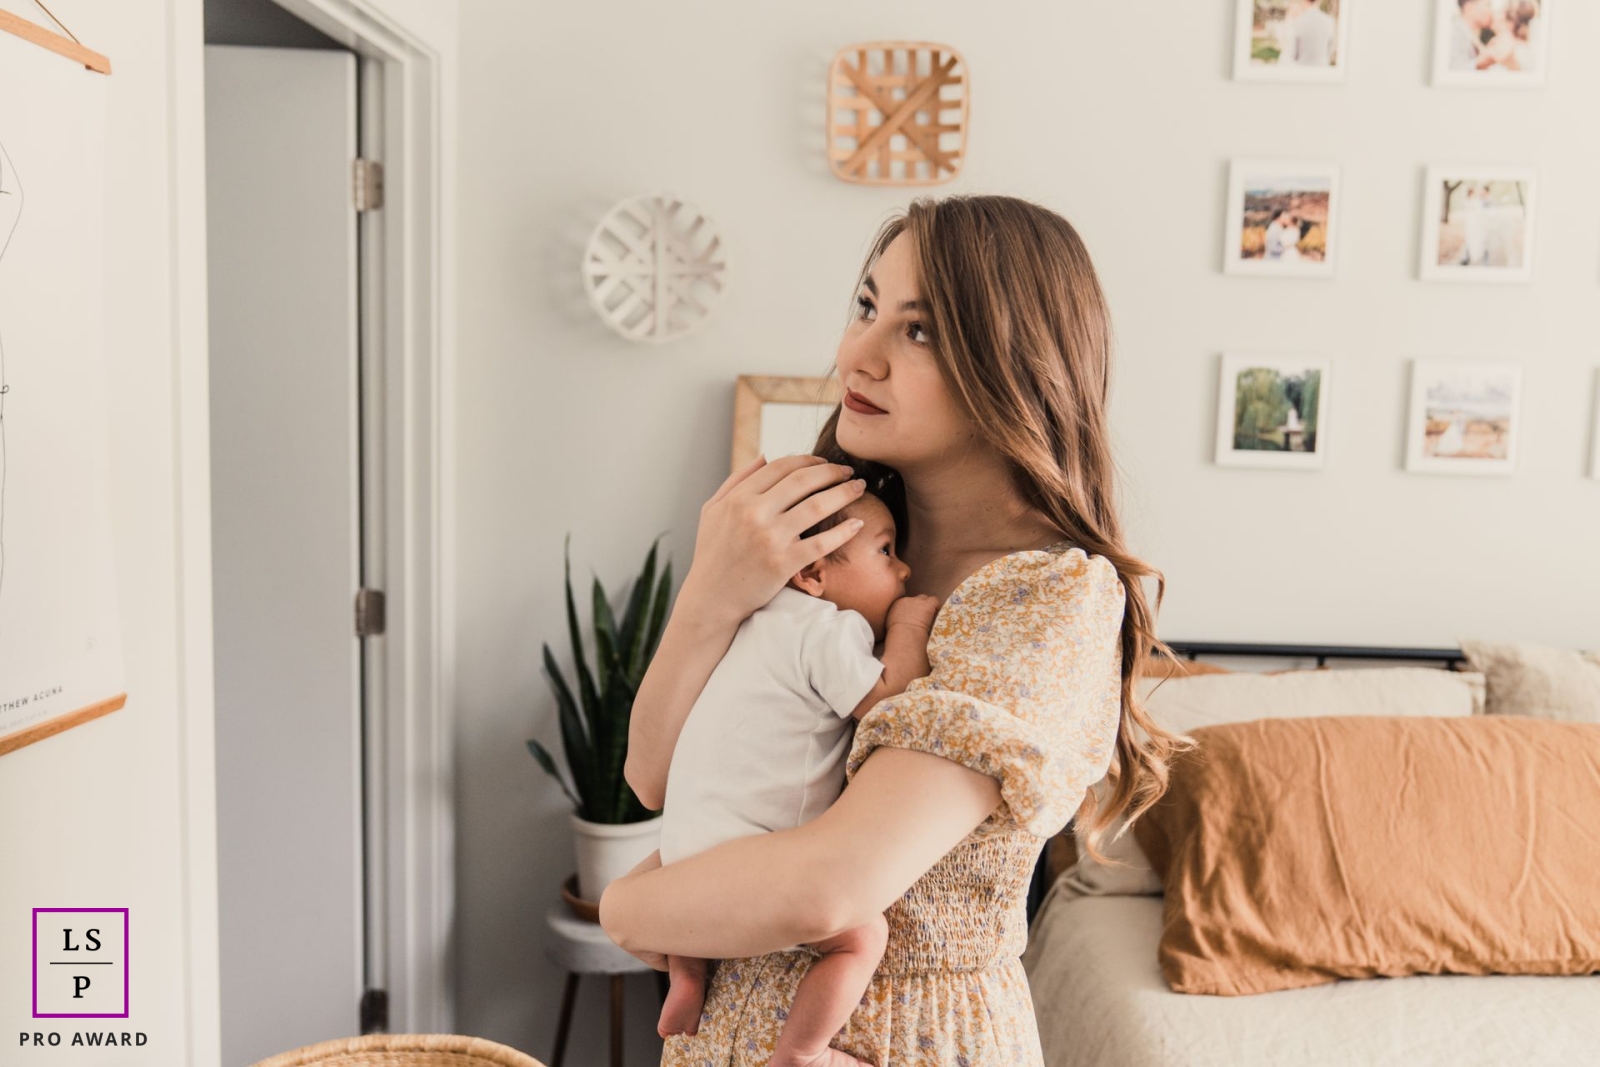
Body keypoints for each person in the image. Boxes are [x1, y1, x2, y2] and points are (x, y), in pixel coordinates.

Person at [599, 194, 1192, 1066]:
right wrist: (710, 591)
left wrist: (624, 908)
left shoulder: (1046, 599)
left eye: (920, 331)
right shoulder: (830, 539)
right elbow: (654, 775)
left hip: (907, 1041)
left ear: (1017, 370)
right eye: (868, 308)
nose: (856, 354)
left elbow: (830, 886)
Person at [653, 490, 942, 1067]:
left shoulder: (755, 622)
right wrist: (908, 628)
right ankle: (803, 1053)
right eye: (886, 551)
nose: (904, 568)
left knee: (694, 896)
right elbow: (884, 702)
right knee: (862, 939)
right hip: (753, 862)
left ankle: (687, 975)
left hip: (681, 855)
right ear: (812, 572)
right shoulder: (826, 630)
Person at [1284, 0, 1337, 68]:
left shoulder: (1297, 22)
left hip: (1303, 72)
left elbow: (1291, 54)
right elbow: (1330, 51)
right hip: (1322, 72)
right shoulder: (1329, 22)